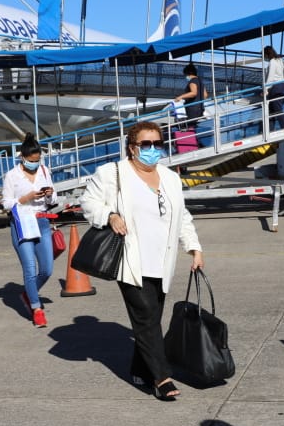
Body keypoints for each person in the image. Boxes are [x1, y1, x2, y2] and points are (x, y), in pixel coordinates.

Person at [80, 121, 204, 400]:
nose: (152, 149)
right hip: (131, 260)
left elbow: (182, 216)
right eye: (145, 144)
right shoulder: (113, 173)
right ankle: (162, 378)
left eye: (157, 143)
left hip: (162, 261)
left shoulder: (170, 178)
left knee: (151, 319)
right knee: (147, 317)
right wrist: (110, 216)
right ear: (131, 148)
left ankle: (140, 370)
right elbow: (88, 202)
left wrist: (194, 247)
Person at [1, 137, 57, 327]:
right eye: (31, 160)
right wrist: (26, 198)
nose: (35, 163)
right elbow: (6, 203)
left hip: (42, 221)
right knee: (30, 268)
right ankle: (36, 308)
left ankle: (28, 293)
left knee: (47, 269)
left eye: (37, 160)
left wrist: (49, 195)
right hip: (22, 223)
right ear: (22, 158)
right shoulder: (12, 176)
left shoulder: (44, 170)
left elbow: (53, 199)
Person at [262, 46, 284, 131]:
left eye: (264, 55)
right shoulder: (280, 60)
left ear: (267, 54)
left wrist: (265, 89)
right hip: (282, 86)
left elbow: (271, 77)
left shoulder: (272, 62)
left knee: (276, 108)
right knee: (272, 109)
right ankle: (270, 129)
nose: (264, 57)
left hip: (276, 87)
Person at [173, 63, 205, 131]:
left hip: (192, 109)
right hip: (200, 108)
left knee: (186, 126)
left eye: (185, 75)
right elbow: (205, 95)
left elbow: (193, 93)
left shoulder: (192, 81)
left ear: (188, 73)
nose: (185, 76)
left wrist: (180, 97)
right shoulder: (200, 81)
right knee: (194, 127)